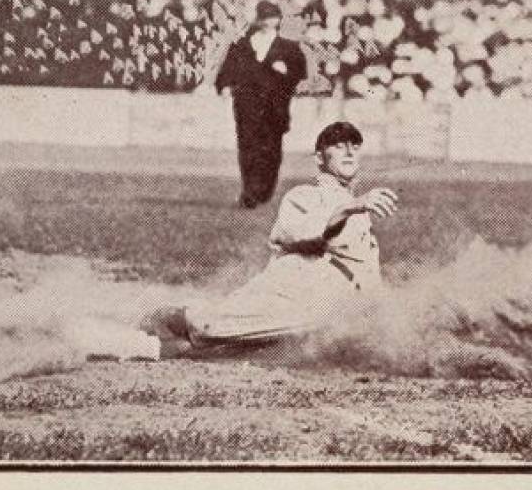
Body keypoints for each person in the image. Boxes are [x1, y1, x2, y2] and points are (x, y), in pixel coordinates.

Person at [147, 121, 399, 351]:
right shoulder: (305, 195)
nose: (349, 152)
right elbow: (311, 235)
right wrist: (349, 208)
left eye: (354, 146)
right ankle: (155, 322)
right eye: (338, 145)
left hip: (330, 306)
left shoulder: (358, 207)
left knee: (229, 349)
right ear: (320, 158)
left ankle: (166, 339)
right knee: (205, 327)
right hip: (294, 293)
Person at [215, 0, 306, 208]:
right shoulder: (242, 45)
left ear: (278, 20)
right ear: (258, 19)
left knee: (271, 149)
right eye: (264, 17)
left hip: (275, 106)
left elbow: (300, 74)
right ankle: (249, 191)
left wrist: (286, 71)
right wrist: (225, 86)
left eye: (272, 17)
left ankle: (264, 190)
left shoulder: (289, 48)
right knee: (248, 146)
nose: (267, 22)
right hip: (247, 103)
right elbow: (228, 69)